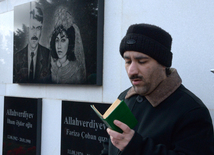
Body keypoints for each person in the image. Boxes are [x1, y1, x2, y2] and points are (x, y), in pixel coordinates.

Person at [101, 23, 214, 155]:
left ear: (163, 64)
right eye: (128, 61)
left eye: (142, 61)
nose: (131, 71)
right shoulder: (124, 97)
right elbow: (108, 147)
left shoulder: (191, 110)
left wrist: (137, 147)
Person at [13, 2, 51, 83]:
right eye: (32, 28)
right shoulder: (17, 57)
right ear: (27, 30)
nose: (35, 33)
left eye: (38, 28)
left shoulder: (48, 56)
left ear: (41, 30)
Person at [50, 8, 86, 84]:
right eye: (57, 40)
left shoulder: (75, 70)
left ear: (70, 43)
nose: (59, 46)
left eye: (63, 40)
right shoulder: (52, 67)